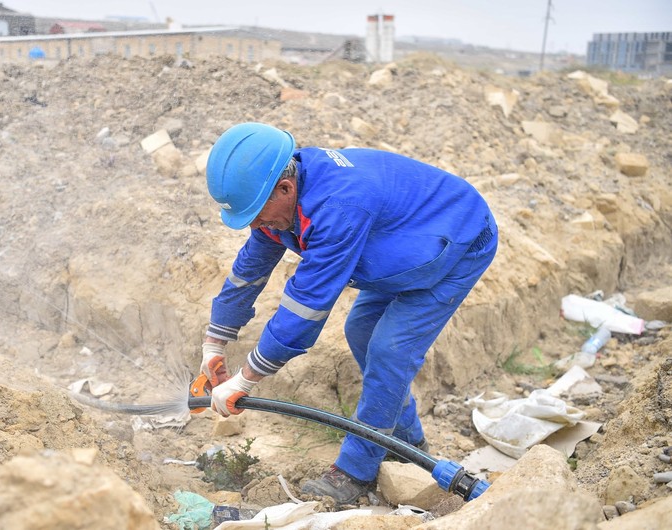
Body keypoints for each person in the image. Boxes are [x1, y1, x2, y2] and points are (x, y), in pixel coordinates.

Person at [199, 122, 498, 504]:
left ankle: (356, 470)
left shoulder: (338, 207)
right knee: (360, 330)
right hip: (403, 241)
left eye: (256, 215)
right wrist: (214, 342)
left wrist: (246, 379)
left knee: (390, 350)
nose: (256, 226)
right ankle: (405, 442)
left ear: (285, 188)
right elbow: (249, 271)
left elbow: (307, 306)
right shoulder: (279, 200)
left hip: (460, 241)